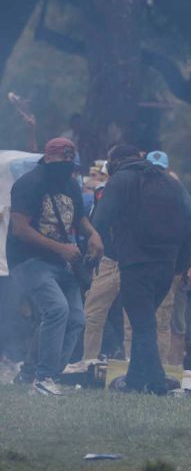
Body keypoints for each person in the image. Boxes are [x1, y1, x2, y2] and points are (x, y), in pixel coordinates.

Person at [92, 144, 191, 394]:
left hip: (136, 263)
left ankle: (158, 382)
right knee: (145, 321)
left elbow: (100, 220)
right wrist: (181, 264)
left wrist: (108, 251)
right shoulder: (172, 183)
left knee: (143, 324)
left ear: (114, 163)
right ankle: (136, 381)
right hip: (166, 266)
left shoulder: (121, 179)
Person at [7, 138, 104, 395]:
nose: (66, 166)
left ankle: (35, 373)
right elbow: (20, 229)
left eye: (70, 161)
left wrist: (94, 234)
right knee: (56, 309)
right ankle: (43, 378)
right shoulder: (28, 184)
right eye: (62, 160)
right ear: (48, 158)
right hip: (28, 260)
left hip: (62, 261)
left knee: (76, 319)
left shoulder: (70, 184)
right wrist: (60, 248)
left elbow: (80, 218)